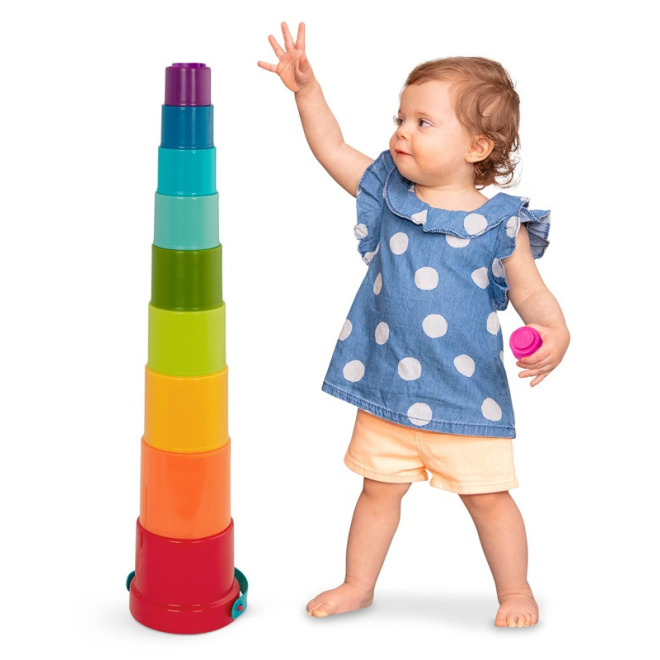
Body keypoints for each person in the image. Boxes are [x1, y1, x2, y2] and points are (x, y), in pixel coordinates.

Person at [259, 22, 569, 628]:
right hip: (386, 388)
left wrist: (555, 332)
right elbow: (333, 149)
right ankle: (358, 584)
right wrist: (307, 92)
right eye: (400, 118)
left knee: (489, 500)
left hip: (466, 397)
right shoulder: (391, 194)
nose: (402, 131)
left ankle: (515, 591)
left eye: (423, 122)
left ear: (477, 147)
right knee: (376, 493)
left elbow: (532, 293)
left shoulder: (501, 225)